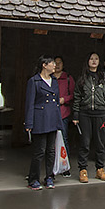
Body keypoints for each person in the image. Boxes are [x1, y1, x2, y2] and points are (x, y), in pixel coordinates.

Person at [71, 51, 105, 182]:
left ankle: (100, 169)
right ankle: (83, 170)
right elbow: (77, 97)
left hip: (101, 113)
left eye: (96, 59)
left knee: (100, 143)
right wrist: (75, 114)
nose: (94, 61)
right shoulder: (82, 78)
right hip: (85, 114)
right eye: (91, 59)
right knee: (84, 143)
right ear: (87, 61)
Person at [24, 56, 61, 190]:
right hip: (39, 118)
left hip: (52, 117)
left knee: (51, 150)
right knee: (39, 151)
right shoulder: (34, 81)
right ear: (44, 65)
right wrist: (29, 123)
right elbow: (29, 103)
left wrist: (58, 119)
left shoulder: (54, 81)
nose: (55, 66)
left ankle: (50, 177)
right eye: (52, 64)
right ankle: (33, 178)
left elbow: (56, 101)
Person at [52, 56, 75, 167]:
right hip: (50, 114)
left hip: (63, 113)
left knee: (64, 139)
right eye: (55, 63)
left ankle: (64, 165)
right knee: (50, 140)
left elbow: (73, 95)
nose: (57, 65)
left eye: (59, 62)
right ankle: (51, 164)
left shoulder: (68, 78)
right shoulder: (48, 77)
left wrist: (64, 99)